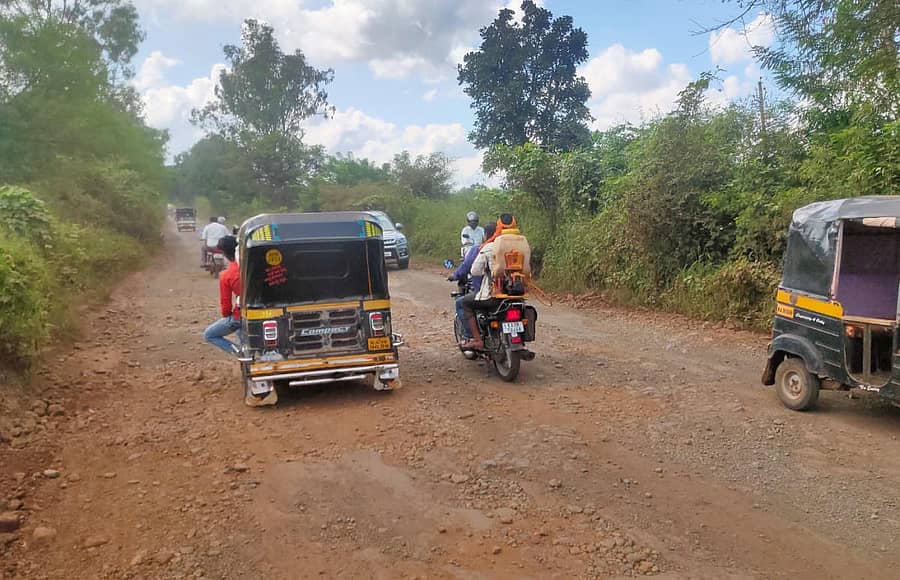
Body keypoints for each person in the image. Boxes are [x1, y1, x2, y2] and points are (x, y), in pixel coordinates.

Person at [458, 214, 529, 350]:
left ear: (499, 227)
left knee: (465, 303)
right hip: (518, 294)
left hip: (494, 295)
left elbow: (475, 271)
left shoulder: (490, 246)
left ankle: (477, 340)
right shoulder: (522, 243)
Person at [448, 223, 497, 339]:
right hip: (510, 294)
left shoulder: (481, 249)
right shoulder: (508, 247)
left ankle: (473, 337)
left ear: (485, 235)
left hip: (488, 293)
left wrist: (454, 275)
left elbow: (471, 269)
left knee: (461, 303)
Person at [203, 235, 244, 355]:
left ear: (224, 254)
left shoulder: (226, 275)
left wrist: (228, 315)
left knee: (209, 334)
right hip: (269, 310)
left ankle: (240, 353)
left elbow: (226, 304)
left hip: (241, 316)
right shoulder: (254, 266)